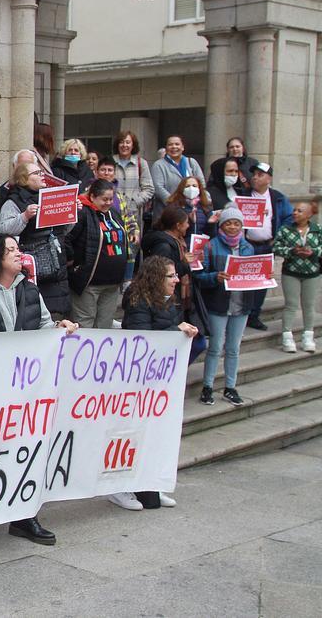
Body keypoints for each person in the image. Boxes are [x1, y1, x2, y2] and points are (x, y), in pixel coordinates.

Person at [0, 234, 77, 543]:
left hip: (27, 391)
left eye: (18, 248)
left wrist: (59, 329)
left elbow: (44, 329)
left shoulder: (31, 292)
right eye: (10, 249)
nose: (18, 253)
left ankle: (24, 516)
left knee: (25, 451)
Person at [113, 256, 197, 511]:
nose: (175, 280)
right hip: (137, 380)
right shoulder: (139, 302)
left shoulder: (169, 301)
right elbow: (143, 340)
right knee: (132, 433)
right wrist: (176, 333)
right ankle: (119, 487)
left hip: (159, 380)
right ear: (155, 278)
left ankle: (150, 484)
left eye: (174, 276)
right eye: (169, 276)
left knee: (155, 434)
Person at [194, 207, 255, 406]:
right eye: (228, 223)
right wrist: (215, 277)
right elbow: (200, 277)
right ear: (221, 225)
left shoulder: (248, 248)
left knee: (233, 348)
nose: (232, 227)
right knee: (215, 347)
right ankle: (208, 386)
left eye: (236, 223)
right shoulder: (211, 246)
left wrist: (265, 277)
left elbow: (253, 275)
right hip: (218, 304)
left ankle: (230, 387)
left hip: (240, 305)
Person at [0, 161, 72, 317]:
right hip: (34, 267)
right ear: (24, 179)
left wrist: (72, 212)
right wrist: (24, 217)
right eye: (37, 173)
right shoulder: (13, 202)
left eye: (42, 172)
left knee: (58, 314)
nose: (42, 176)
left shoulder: (50, 196)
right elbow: (4, 230)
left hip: (57, 265)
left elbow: (64, 230)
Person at [66, 179, 129, 329]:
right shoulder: (82, 213)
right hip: (89, 282)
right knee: (84, 324)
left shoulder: (113, 213)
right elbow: (66, 239)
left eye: (111, 199)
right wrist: (74, 263)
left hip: (113, 283)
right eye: (104, 199)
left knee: (104, 325)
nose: (108, 203)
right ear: (92, 197)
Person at [243, 162, 292, 331]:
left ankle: (254, 315)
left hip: (267, 246)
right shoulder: (244, 196)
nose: (255, 177)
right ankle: (241, 313)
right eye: (254, 174)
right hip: (247, 245)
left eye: (260, 174)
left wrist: (277, 238)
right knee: (244, 280)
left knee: (262, 282)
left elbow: (288, 219)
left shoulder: (278, 198)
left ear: (269, 178)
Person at [273, 200, 322, 354]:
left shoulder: (317, 229)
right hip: (291, 272)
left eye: (300, 211)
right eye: (294, 210)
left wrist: (313, 252)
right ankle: (287, 336)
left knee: (308, 305)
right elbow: (276, 247)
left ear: (309, 214)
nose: (295, 213)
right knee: (291, 305)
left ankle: (308, 336)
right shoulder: (285, 229)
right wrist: (292, 251)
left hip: (312, 273)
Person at [150, 135, 205, 218]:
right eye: (170, 144)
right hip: (167, 211)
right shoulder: (158, 165)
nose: (174, 147)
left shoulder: (191, 162)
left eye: (177, 144)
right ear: (166, 148)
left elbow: (201, 183)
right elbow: (158, 188)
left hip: (192, 210)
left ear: (182, 147)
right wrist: (175, 204)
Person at [111, 130, 154, 220]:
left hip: (133, 213)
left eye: (128, 142)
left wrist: (135, 202)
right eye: (121, 142)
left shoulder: (141, 163)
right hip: (112, 210)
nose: (124, 145)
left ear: (133, 145)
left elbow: (149, 189)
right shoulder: (110, 162)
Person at [165, 175, 215, 239]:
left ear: (199, 188)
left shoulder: (205, 207)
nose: (191, 188)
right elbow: (171, 230)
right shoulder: (175, 206)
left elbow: (211, 234)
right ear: (182, 189)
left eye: (194, 186)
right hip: (182, 245)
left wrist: (211, 223)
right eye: (187, 186)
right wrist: (189, 221)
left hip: (200, 246)